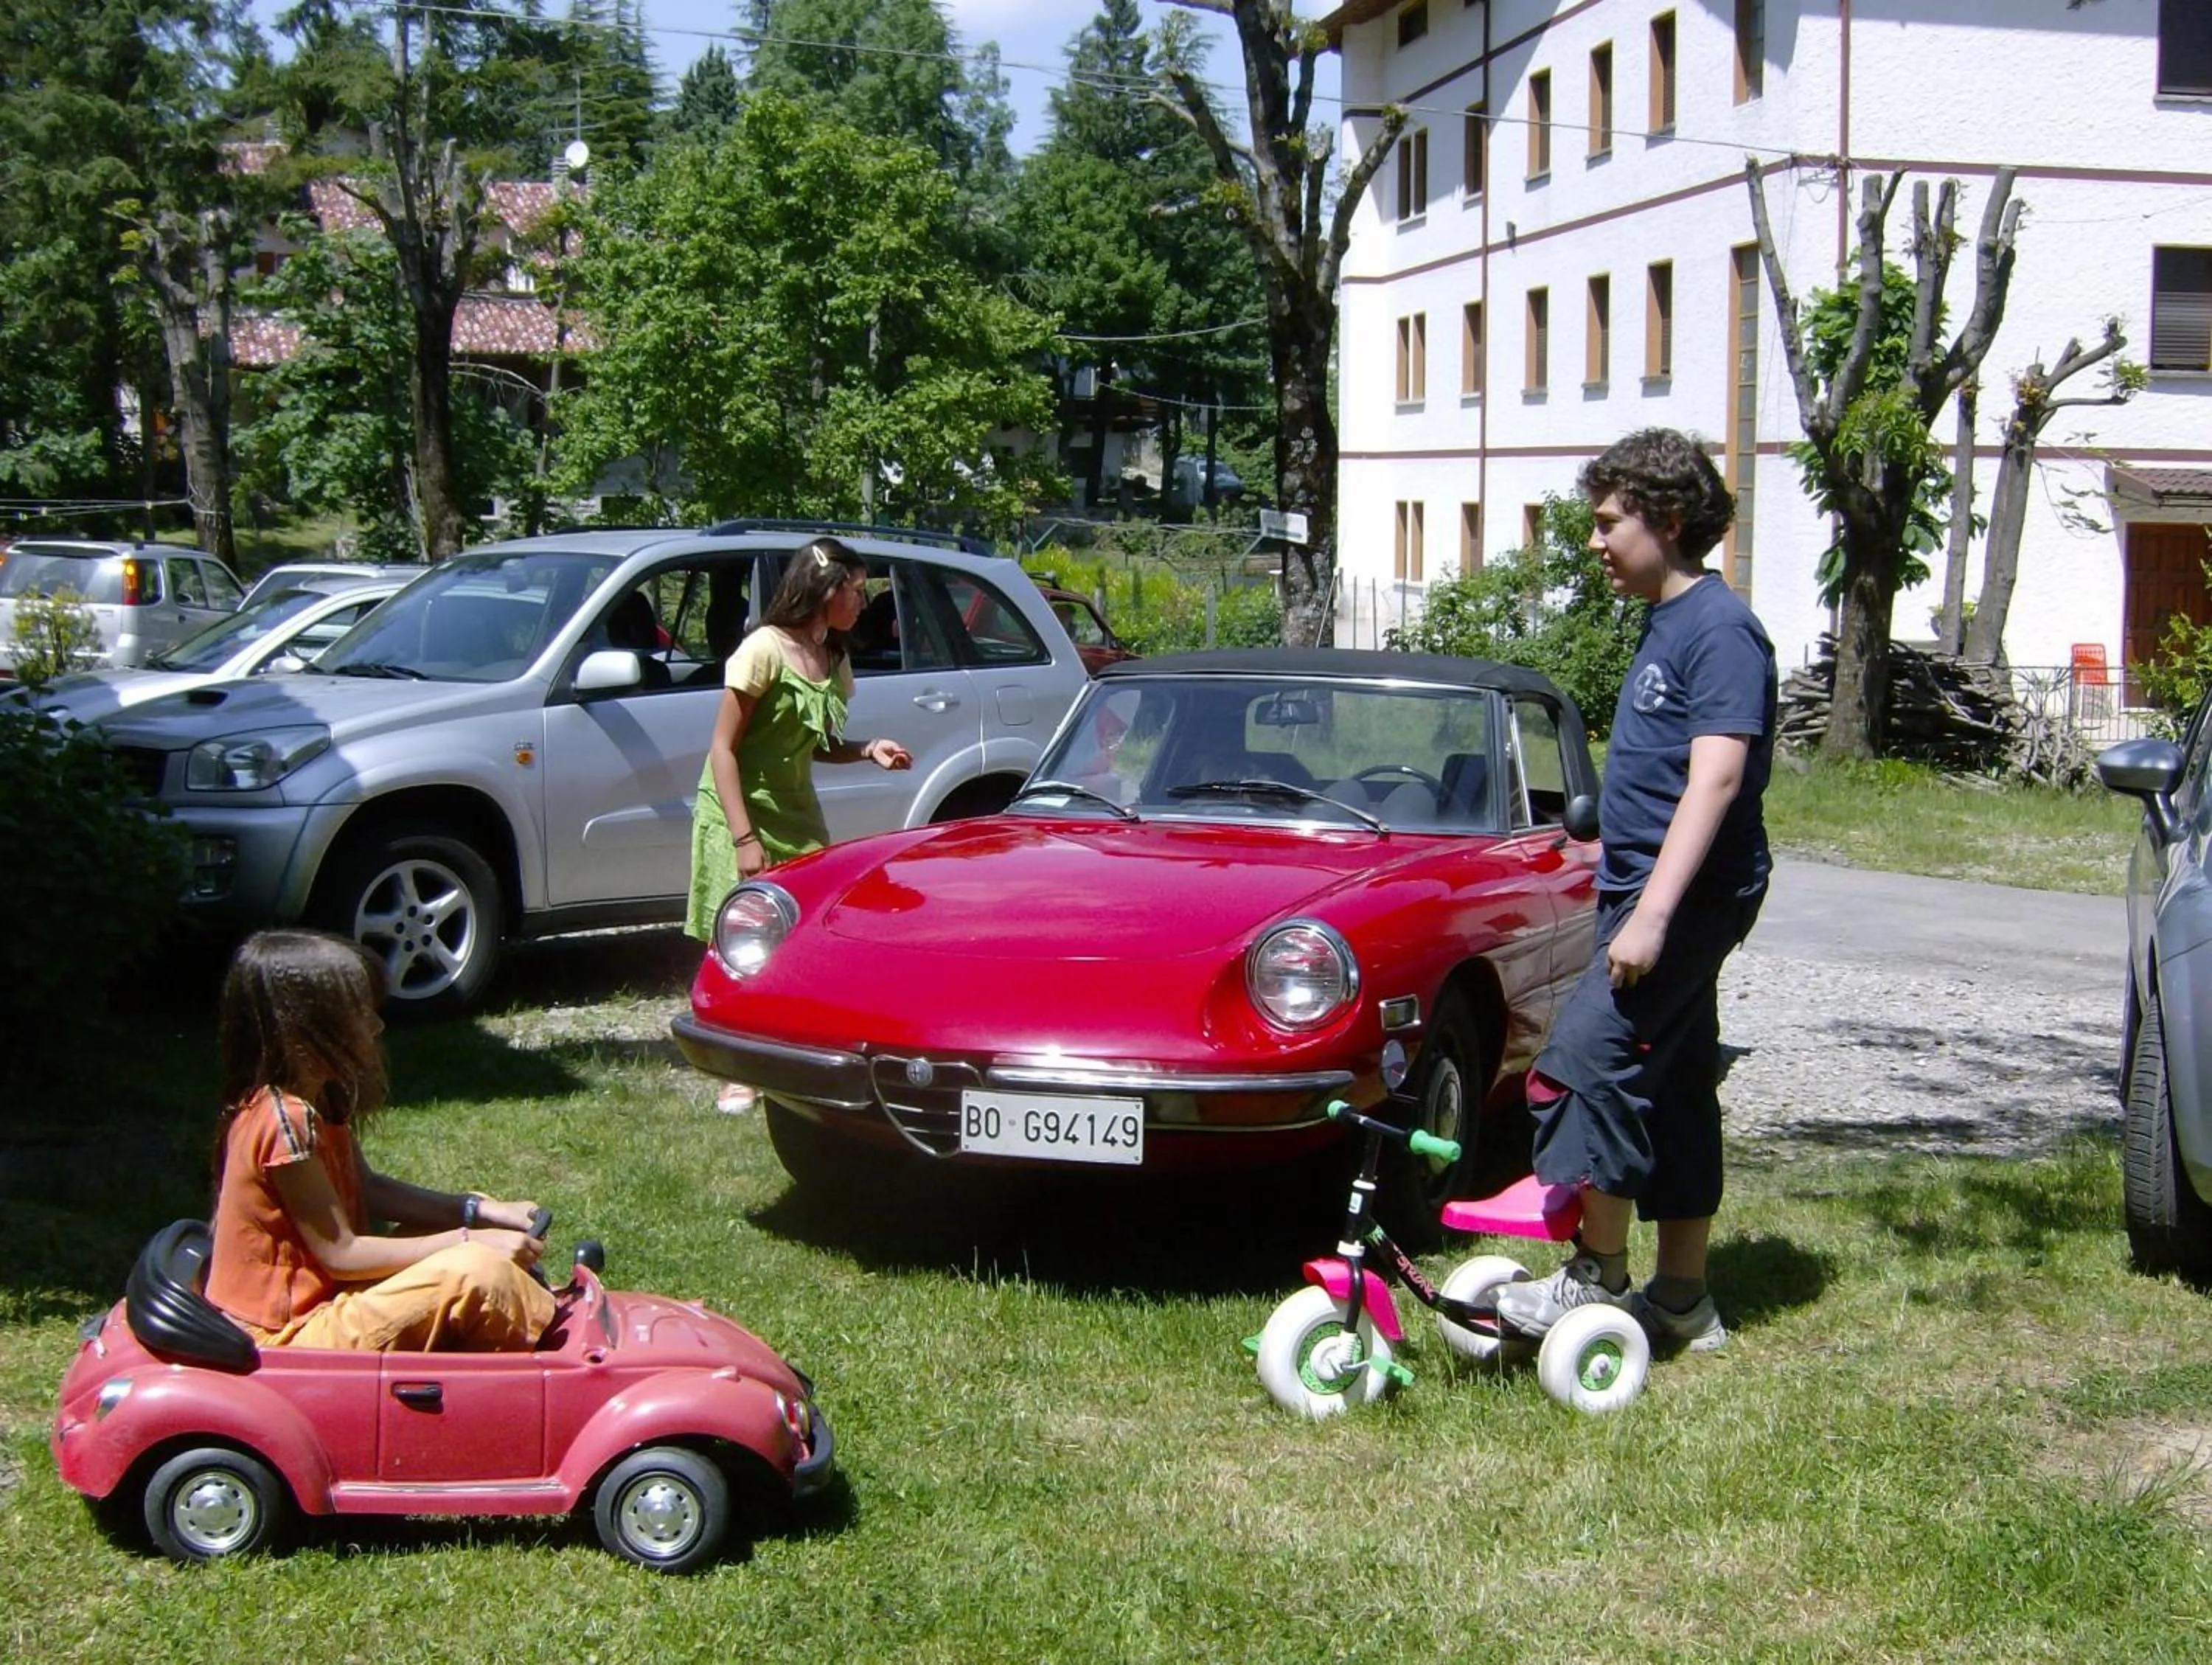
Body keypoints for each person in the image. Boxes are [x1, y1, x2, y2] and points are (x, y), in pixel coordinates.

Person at [1491, 428, 1777, 1358]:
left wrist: (1651, 914)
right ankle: (1683, 1299)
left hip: (1680, 902)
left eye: (1609, 522)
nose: (1595, 540)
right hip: (1648, 890)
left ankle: (1597, 1276)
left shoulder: (1721, 630)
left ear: (1670, 519)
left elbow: (1716, 779)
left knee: (1585, 1066)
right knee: (1678, 1084)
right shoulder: (1668, 619)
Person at [204, 930, 556, 1352]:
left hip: (325, 1298)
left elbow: (368, 1189)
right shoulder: (284, 1121)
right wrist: (471, 1240)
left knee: (473, 1229)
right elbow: (341, 1254)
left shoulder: (315, 1098)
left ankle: (531, 1314)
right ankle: (547, 1351)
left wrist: (476, 1211)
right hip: (285, 1335)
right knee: (477, 1270)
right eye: (359, 1013)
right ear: (304, 1027)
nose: (376, 1025)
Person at [686, 537, 912, 1112]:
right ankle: (738, 1069)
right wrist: (743, 838)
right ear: (825, 589)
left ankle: (793, 1043)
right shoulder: (763, 649)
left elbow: (819, 744)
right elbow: (722, 748)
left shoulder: (832, 656)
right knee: (744, 937)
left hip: (794, 809)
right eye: (856, 590)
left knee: (808, 928)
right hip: (738, 808)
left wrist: (868, 749)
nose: (863, 602)